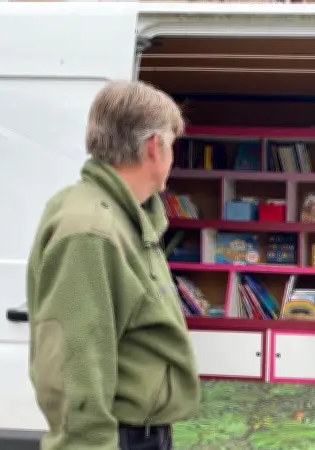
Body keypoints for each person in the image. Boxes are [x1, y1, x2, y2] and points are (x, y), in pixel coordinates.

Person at [25, 80, 200, 450]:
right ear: (155, 147)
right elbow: (75, 363)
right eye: (173, 144)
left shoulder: (122, 215)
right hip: (120, 437)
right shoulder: (91, 229)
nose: (174, 157)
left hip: (140, 430)